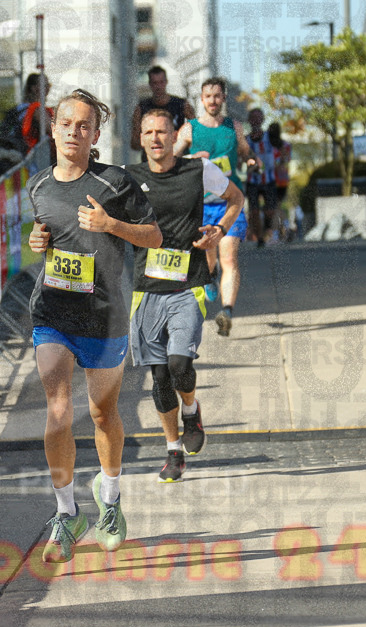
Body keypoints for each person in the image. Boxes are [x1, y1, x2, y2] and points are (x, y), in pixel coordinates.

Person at [27, 89, 161, 563]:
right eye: (66, 123)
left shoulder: (116, 183)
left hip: (104, 316)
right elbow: (45, 237)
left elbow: (154, 235)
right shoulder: (39, 186)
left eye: (83, 125)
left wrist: (111, 225)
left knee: (103, 415)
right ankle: (66, 513)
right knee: (58, 410)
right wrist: (36, 240)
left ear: (95, 134)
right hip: (53, 313)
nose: (73, 132)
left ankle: (111, 502)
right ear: (54, 128)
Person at [125, 109, 244, 482]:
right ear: (141, 138)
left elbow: (236, 199)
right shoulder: (129, 179)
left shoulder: (197, 171)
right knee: (159, 377)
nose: (156, 138)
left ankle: (191, 409)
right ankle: (173, 450)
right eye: (149, 132)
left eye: (162, 131)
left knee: (179, 364)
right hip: (146, 291)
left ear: (176, 135)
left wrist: (218, 230)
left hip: (188, 284)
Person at [173, 76, 255, 337]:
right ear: (201, 99)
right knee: (209, 258)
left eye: (217, 96)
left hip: (230, 202)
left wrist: (251, 160)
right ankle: (208, 276)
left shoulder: (235, 127)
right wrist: (190, 157)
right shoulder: (190, 129)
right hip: (200, 204)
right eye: (208, 96)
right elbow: (168, 160)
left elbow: (245, 151)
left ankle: (227, 311)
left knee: (229, 257)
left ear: (224, 99)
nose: (212, 101)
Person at [130, 65, 194, 162]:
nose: (158, 87)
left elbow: (195, 133)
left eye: (161, 82)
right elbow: (134, 143)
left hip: (176, 160)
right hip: (150, 162)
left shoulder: (182, 105)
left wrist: (179, 143)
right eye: (155, 83)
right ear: (150, 84)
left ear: (166, 82)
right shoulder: (141, 108)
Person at [244, 108, 278, 246]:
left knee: (270, 211)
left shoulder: (270, 137)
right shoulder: (245, 140)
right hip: (252, 181)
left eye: (259, 118)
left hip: (269, 180)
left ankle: (267, 229)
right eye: (253, 118)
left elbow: (282, 151)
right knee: (254, 211)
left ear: (263, 120)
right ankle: (259, 238)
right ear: (249, 120)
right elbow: (241, 158)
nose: (256, 121)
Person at [268, 122, 292, 241]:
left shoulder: (270, 147)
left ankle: (278, 231)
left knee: (274, 207)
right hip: (284, 180)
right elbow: (287, 160)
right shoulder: (286, 145)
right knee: (277, 206)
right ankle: (285, 227)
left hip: (273, 179)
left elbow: (275, 162)